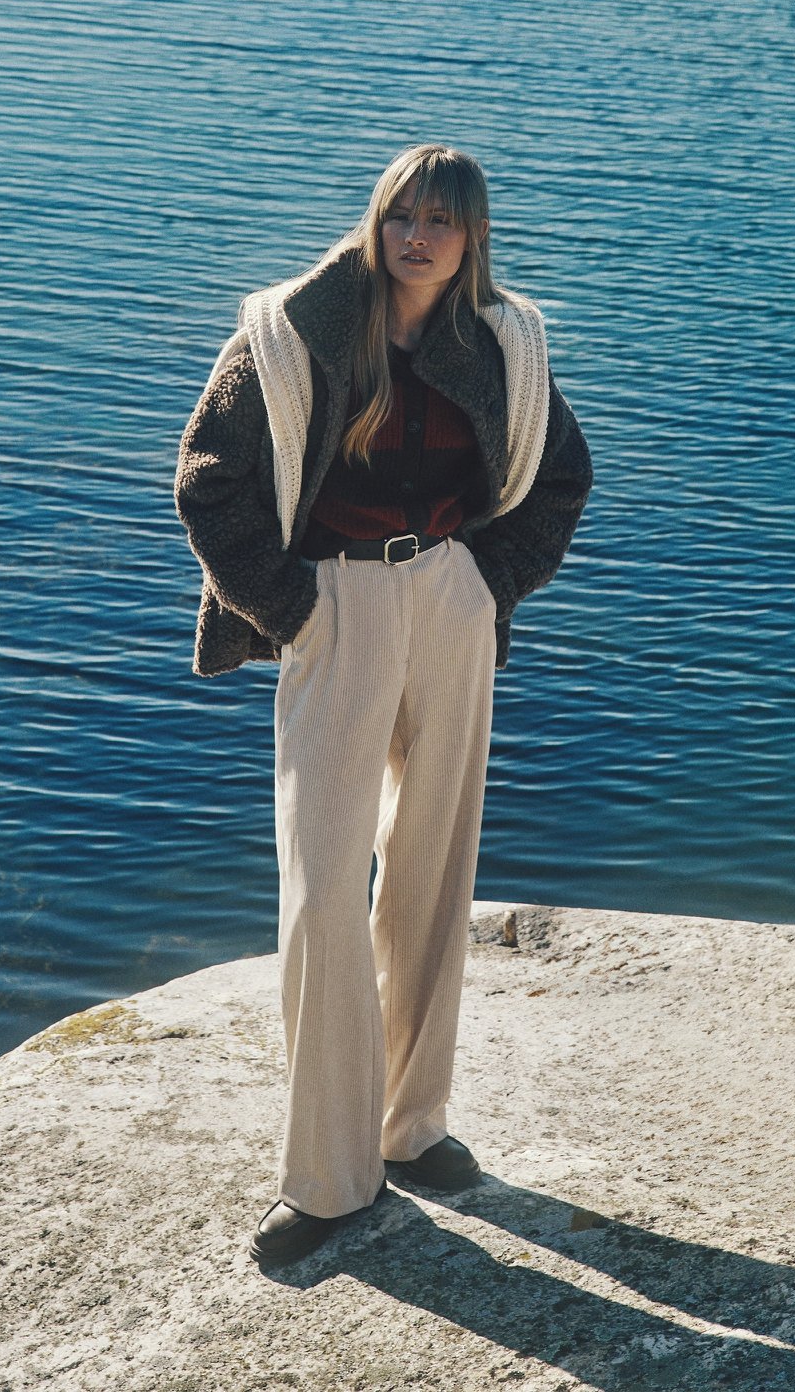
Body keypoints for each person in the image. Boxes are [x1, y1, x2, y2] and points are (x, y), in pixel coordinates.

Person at [175, 143, 593, 1270]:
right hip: (336, 605)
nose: (417, 235)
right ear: (375, 220)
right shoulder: (290, 329)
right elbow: (207, 477)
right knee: (321, 886)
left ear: (473, 238)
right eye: (401, 214)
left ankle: (413, 1126)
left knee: (432, 865)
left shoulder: (505, 338)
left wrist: (485, 578)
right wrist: (294, 605)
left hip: (449, 597)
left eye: (441, 221)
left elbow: (561, 476)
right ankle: (327, 1173)